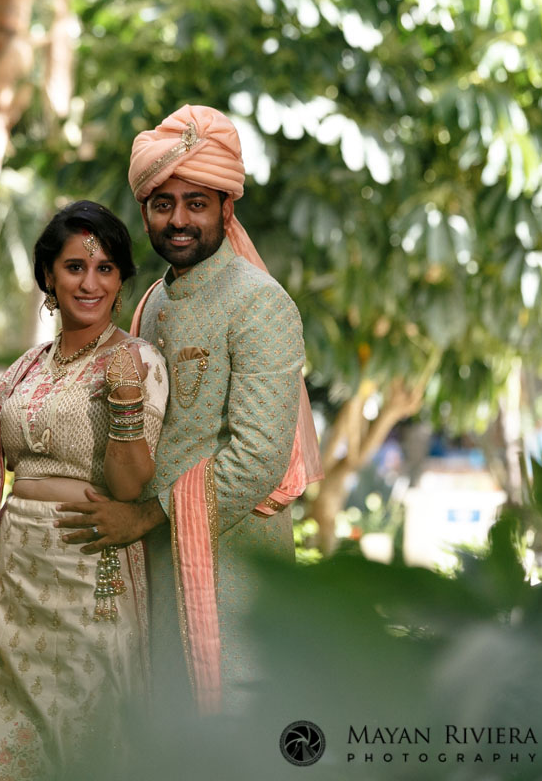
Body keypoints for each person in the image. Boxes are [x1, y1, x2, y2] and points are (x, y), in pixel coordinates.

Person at [54, 104, 323, 715]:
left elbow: (257, 456)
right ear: (146, 209)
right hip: (150, 562)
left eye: (196, 203)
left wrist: (144, 517)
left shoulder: (261, 305)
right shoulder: (152, 301)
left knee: (231, 728)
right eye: (162, 203)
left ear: (227, 208)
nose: (178, 220)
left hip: (233, 570)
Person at [0, 200, 169, 780]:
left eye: (105, 268)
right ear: (48, 275)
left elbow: (129, 484)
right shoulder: (23, 369)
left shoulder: (137, 360)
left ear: (122, 277)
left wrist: (125, 403)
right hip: (13, 580)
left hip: (87, 575)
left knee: (73, 728)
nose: (89, 282)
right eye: (75, 266)